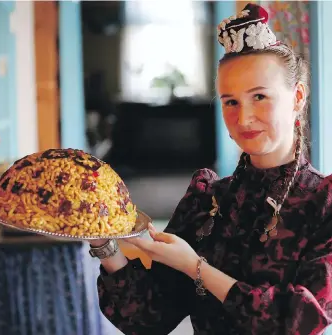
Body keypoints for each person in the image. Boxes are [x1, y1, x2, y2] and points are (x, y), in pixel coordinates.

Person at [88, 4, 332, 334]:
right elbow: (146, 319)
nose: (243, 117)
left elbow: (295, 321)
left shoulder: (323, 202)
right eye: (230, 101)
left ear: (298, 97)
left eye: (259, 96)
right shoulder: (208, 200)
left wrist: (194, 266)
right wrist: (105, 244)